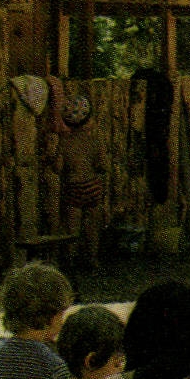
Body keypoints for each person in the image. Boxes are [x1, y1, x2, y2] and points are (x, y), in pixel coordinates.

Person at [56, 92, 105, 275]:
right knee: (93, 227)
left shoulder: (65, 143)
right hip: (92, 185)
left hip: (73, 186)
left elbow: (58, 167)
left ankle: (71, 262)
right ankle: (92, 261)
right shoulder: (94, 141)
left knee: (72, 228)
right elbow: (102, 166)